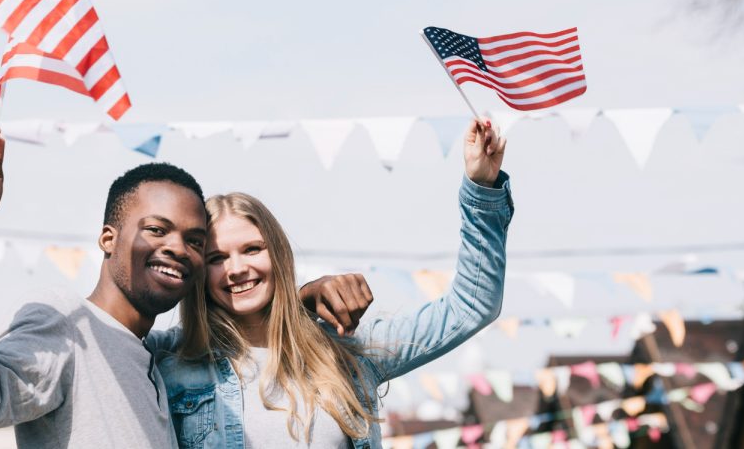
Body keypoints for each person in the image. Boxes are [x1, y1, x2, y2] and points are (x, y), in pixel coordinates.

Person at [0, 128, 372, 448]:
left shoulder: (156, 355)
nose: (177, 248)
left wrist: (297, 299)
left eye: (195, 241)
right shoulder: (65, 323)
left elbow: (244, 331)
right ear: (108, 238)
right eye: (156, 229)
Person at [147, 118, 513, 449]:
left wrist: (481, 188)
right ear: (199, 271)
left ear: (278, 254)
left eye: (252, 249)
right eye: (217, 258)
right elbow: (105, 336)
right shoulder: (170, 362)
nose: (237, 268)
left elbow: (471, 306)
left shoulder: (347, 352)